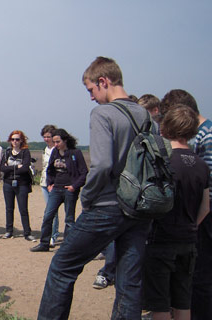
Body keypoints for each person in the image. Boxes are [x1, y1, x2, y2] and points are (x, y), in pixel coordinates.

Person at [38, 56, 154, 320]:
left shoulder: (103, 113)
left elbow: (102, 165)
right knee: (129, 279)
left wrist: (87, 198)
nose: (91, 97)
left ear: (104, 81)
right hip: (139, 209)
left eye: (91, 89)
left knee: (62, 266)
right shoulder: (146, 116)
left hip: (108, 206)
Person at [141, 105, 210, 320]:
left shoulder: (163, 161)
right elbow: (206, 206)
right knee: (183, 300)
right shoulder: (201, 164)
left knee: (160, 303)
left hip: (161, 239)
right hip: (189, 240)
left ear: (165, 128)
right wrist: (192, 226)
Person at [160, 89, 212, 320]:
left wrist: (193, 222)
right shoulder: (201, 134)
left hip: (203, 219)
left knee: (201, 277)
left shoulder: (207, 135)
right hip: (197, 218)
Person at [31, 128, 87, 252]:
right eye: (54, 142)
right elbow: (50, 169)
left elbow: (84, 172)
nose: (55, 144)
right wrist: (50, 183)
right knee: (48, 215)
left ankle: (67, 247)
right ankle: (44, 243)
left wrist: (74, 186)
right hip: (56, 189)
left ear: (65, 140)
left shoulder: (75, 153)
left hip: (70, 190)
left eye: (58, 141)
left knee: (69, 219)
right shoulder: (55, 152)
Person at [0, 130, 34, 241]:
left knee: (23, 209)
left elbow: (25, 168)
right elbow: (2, 168)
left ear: (21, 140)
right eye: (13, 139)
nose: (15, 141)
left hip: (22, 184)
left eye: (17, 139)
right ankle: (9, 231)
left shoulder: (25, 152)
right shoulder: (7, 152)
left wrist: (10, 167)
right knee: (9, 208)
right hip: (8, 184)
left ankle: (27, 233)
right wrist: (15, 167)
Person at [39, 124, 61, 247]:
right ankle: (49, 234)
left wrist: (53, 183)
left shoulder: (57, 150)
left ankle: (53, 236)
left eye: (49, 136)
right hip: (44, 182)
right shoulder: (45, 150)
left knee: (52, 210)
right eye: (45, 137)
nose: (47, 139)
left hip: (54, 183)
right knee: (48, 210)